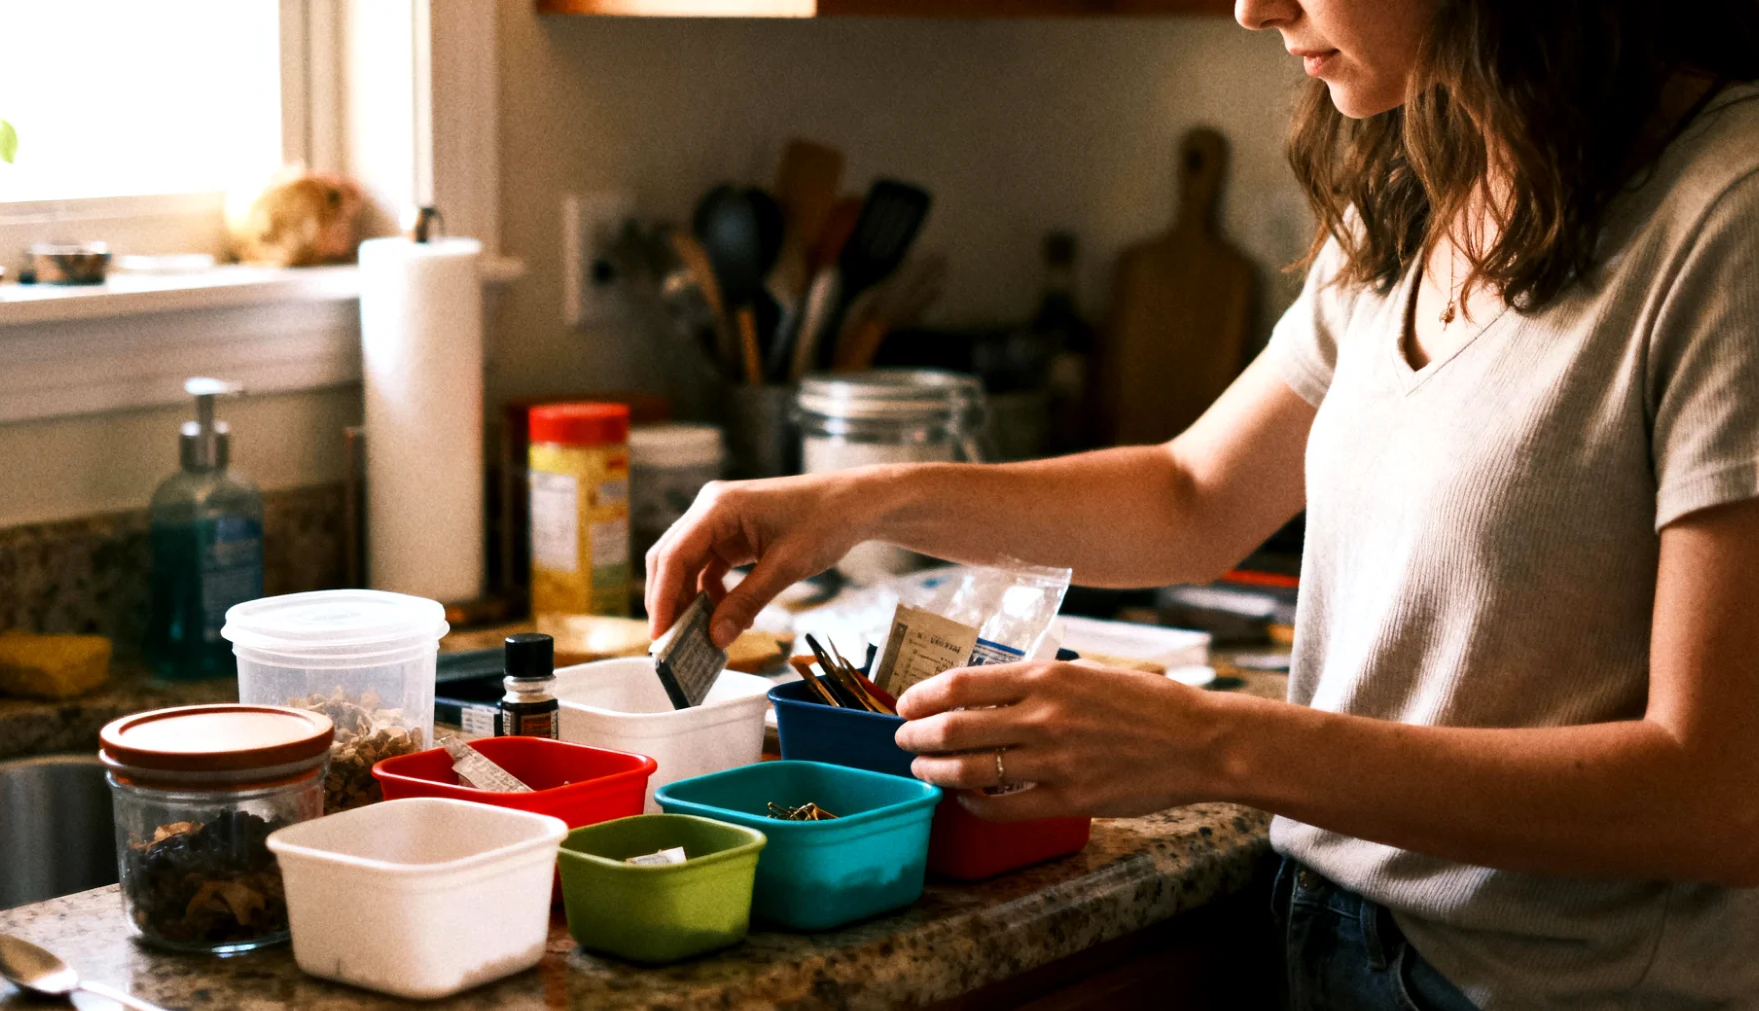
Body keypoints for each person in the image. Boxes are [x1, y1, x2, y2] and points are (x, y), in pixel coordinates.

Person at [646, 0, 1759, 1006]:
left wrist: (1213, 745)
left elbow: (1719, 797)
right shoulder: (1422, 176)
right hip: (1322, 932)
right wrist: (857, 501)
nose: (1250, 8)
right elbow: (1195, 494)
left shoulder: (1727, 219)